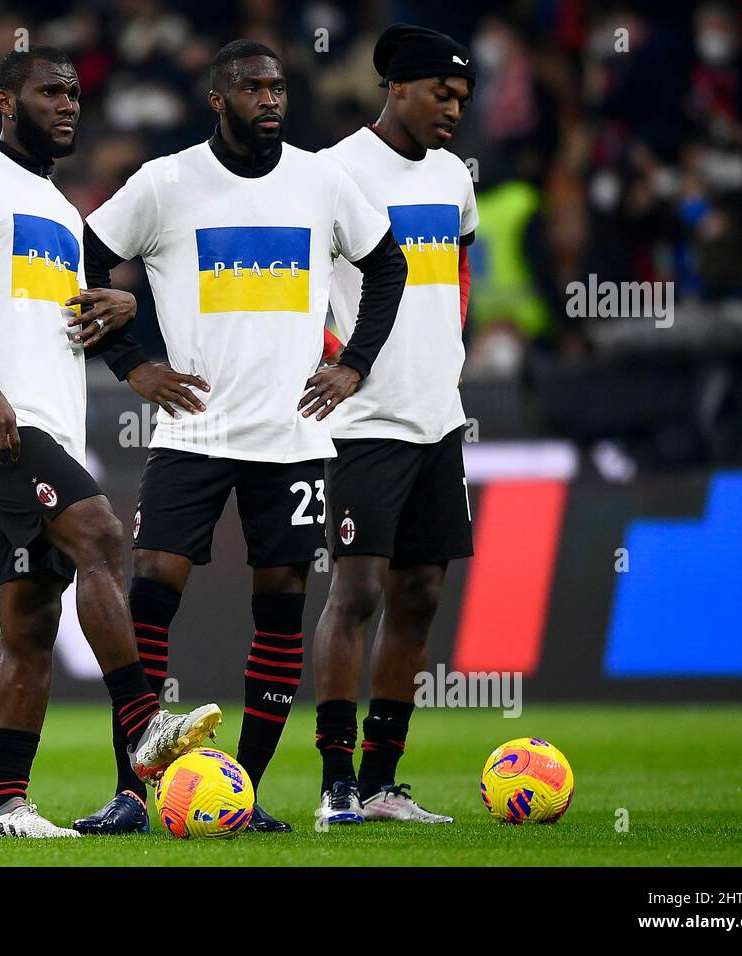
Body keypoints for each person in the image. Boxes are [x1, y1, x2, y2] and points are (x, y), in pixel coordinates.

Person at [74, 40, 408, 835]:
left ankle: (239, 792)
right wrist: (132, 364)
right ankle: (133, 788)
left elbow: (387, 264)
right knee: (151, 596)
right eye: (252, 88)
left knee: (282, 610)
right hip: (192, 433)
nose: (271, 100)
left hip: (291, 438)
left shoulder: (321, 180)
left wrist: (354, 364)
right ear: (216, 99)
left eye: (279, 88)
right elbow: (83, 255)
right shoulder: (165, 182)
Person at [0, 47, 222, 839]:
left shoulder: (57, 208)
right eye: (50, 91)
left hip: (47, 421)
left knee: (29, 620)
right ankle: (146, 720)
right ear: (5, 103)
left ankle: (5, 805)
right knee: (101, 532)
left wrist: (123, 320)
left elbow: (83, 310)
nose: (68, 104)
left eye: (75, 94)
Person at [311, 24, 478, 827]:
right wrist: (334, 358)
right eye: (441, 94)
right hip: (364, 419)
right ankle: (335, 781)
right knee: (358, 591)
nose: (453, 110)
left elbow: (459, 271)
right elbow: (302, 285)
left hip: (437, 416)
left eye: (462, 99)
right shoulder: (335, 172)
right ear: (398, 88)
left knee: (421, 591)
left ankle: (381, 781)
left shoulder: (454, 178)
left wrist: (449, 355)